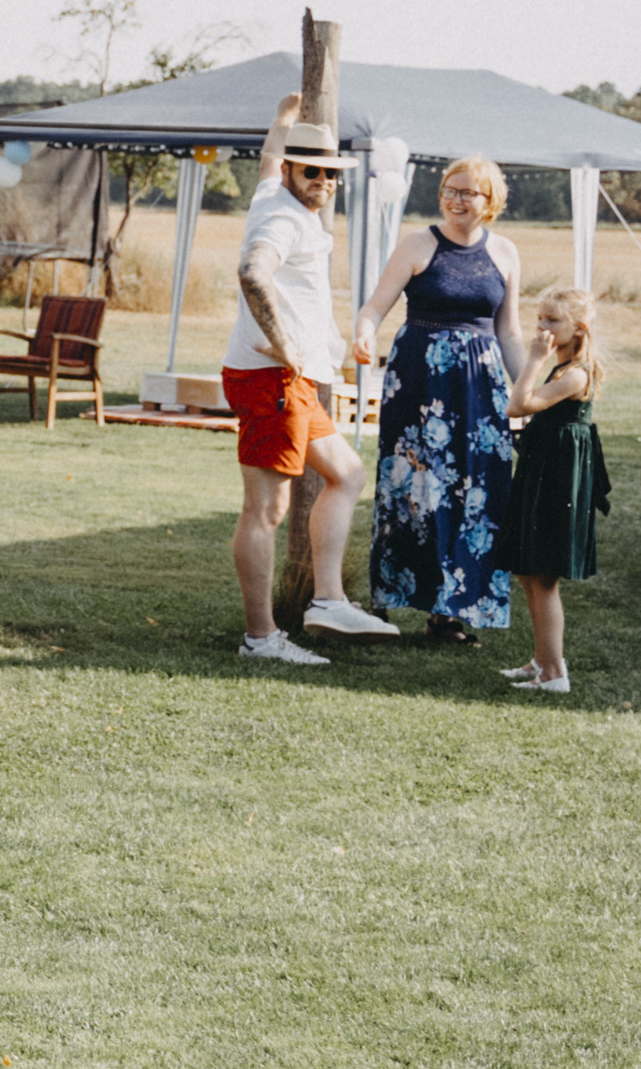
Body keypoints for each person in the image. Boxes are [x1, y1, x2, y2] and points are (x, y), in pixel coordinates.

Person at [226, 96, 401, 664]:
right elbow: (254, 272)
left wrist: (280, 119)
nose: (324, 181)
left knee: (347, 473)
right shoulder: (281, 218)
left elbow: (268, 158)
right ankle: (261, 638)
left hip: (288, 381)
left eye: (331, 172)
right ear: (294, 173)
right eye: (313, 171)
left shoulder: (273, 192)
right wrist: (284, 346)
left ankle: (326, 600)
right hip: (271, 378)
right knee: (266, 512)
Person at [357, 157, 528, 643]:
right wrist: (365, 333)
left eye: (468, 193)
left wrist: (526, 395)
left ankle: (449, 611)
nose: (456, 200)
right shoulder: (418, 243)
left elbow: (509, 331)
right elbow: (375, 306)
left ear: (489, 200)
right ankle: (387, 600)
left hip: (481, 388)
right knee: (409, 489)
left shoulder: (506, 253)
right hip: (418, 384)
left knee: (477, 493)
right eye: (450, 190)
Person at [501, 286, 612, 695]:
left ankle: (554, 675)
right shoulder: (563, 367)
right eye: (539, 317)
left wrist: (533, 360)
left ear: (578, 328)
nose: (541, 326)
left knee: (543, 574)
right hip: (543, 467)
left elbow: (518, 405)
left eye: (552, 320)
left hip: (558, 475)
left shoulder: (574, 374)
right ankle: (542, 659)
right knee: (529, 571)